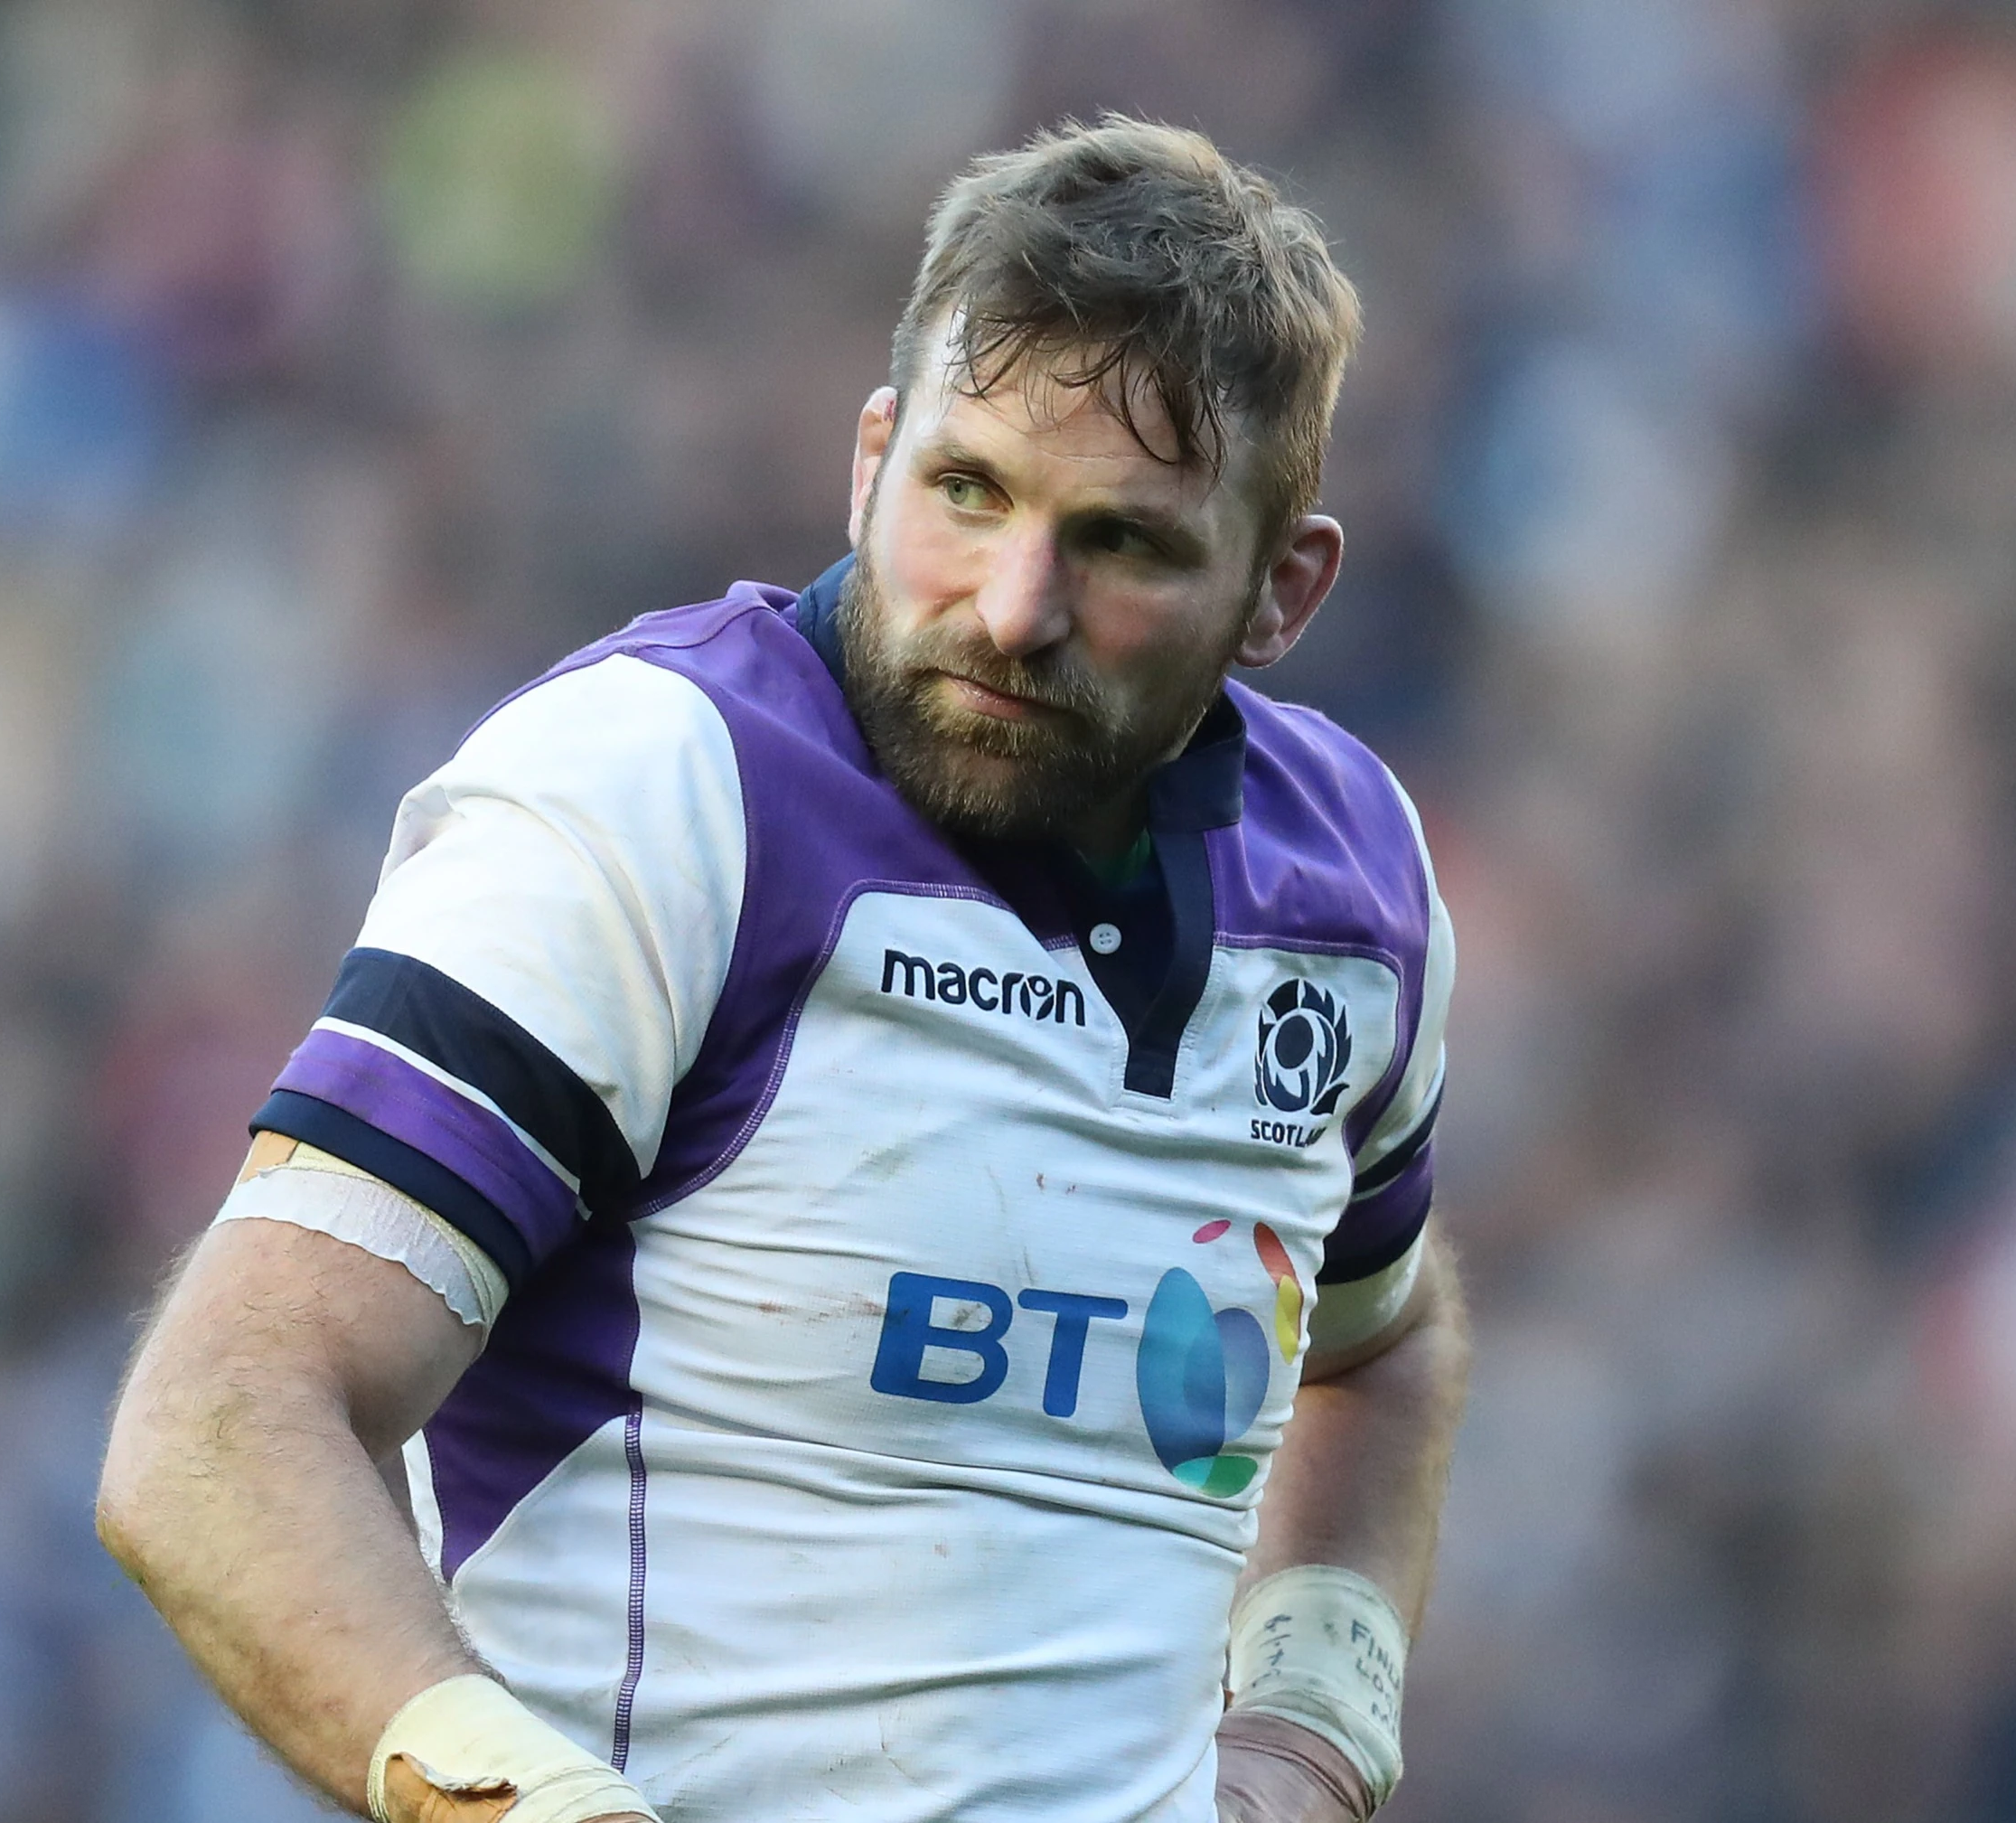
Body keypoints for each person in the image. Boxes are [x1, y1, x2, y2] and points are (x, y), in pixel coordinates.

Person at [97, 116, 1471, 1823]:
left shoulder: (1353, 883)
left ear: (1283, 590)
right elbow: (221, 1426)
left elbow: (1384, 1344)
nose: (1011, 602)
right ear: (872, 456)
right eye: (966, 491)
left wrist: (1312, 1733)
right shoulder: (660, 795)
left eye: (1124, 543)